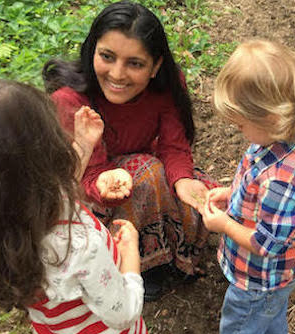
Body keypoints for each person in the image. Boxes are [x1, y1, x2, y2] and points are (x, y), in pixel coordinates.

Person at [0, 79, 155, 334]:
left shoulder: (3, 227)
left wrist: (84, 146)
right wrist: (130, 258)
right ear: (46, 150)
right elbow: (123, 312)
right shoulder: (80, 246)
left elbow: (54, 186)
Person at [42, 0, 217, 301]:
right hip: (90, 191)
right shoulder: (70, 100)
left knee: (205, 196)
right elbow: (80, 175)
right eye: (107, 57)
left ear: (156, 66)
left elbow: (174, 146)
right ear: (92, 50)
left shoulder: (168, 85)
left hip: (144, 169)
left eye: (134, 63)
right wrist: (102, 185)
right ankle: (142, 266)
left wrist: (182, 180)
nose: (117, 74)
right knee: (147, 175)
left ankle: (175, 255)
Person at [200, 40, 295, 334]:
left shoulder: (281, 179)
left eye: (240, 124)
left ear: (272, 117)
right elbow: (254, 187)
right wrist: (229, 194)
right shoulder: (278, 142)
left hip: (257, 277)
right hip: (276, 280)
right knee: (272, 314)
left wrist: (222, 225)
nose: (239, 131)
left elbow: (265, 243)